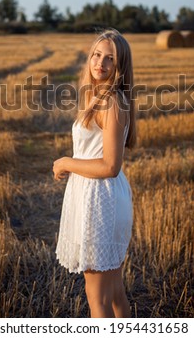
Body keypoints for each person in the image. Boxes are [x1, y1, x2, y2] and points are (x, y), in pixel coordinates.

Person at [53, 28, 136, 318]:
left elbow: (110, 166)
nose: (101, 62)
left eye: (110, 58)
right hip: (98, 197)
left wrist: (66, 162)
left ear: (120, 66)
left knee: (96, 297)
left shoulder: (111, 102)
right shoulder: (98, 97)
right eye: (97, 55)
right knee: (113, 293)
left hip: (100, 200)